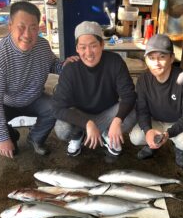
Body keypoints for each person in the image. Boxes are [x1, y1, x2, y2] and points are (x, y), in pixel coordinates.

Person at [0, 1, 78, 158]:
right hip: (7, 103)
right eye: (21, 27)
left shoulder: (42, 46)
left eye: (33, 28)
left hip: (35, 98)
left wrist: (64, 66)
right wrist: (3, 137)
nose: (27, 34)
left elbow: (52, 64)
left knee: (55, 107)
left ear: (38, 28)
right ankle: (12, 137)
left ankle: (35, 139)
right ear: (10, 26)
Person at [52, 21, 137, 157]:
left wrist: (117, 120)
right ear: (77, 49)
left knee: (132, 111)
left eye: (93, 46)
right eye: (83, 47)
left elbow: (129, 95)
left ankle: (107, 133)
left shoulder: (115, 61)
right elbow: (57, 108)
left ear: (102, 45)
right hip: (82, 116)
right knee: (62, 128)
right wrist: (87, 123)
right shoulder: (70, 69)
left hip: (108, 114)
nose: (89, 53)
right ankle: (77, 135)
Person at [129, 33, 183, 168]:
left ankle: (180, 150)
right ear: (146, 59)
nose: (156, 62)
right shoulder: (143, 80)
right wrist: (148, 131)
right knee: (135, 138)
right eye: (151, 57)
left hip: (177, 122)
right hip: (156, 121)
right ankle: (154, 145)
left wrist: (168, 134)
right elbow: (142, 110)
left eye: (162, 57)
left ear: (172, 58)